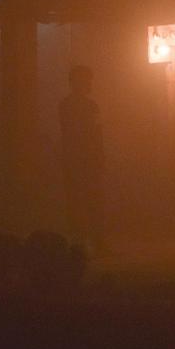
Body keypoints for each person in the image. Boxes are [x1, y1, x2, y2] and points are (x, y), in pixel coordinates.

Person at [58, 65, 106, 255]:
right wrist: (99, 154)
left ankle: (83, 242)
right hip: (82, 160)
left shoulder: (67, 105)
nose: (90, 83)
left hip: (77, 159)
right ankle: (91, 242)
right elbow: (94, 132)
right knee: (88, 201)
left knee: (80, 201)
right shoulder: (86, 106)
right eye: (87, 80)